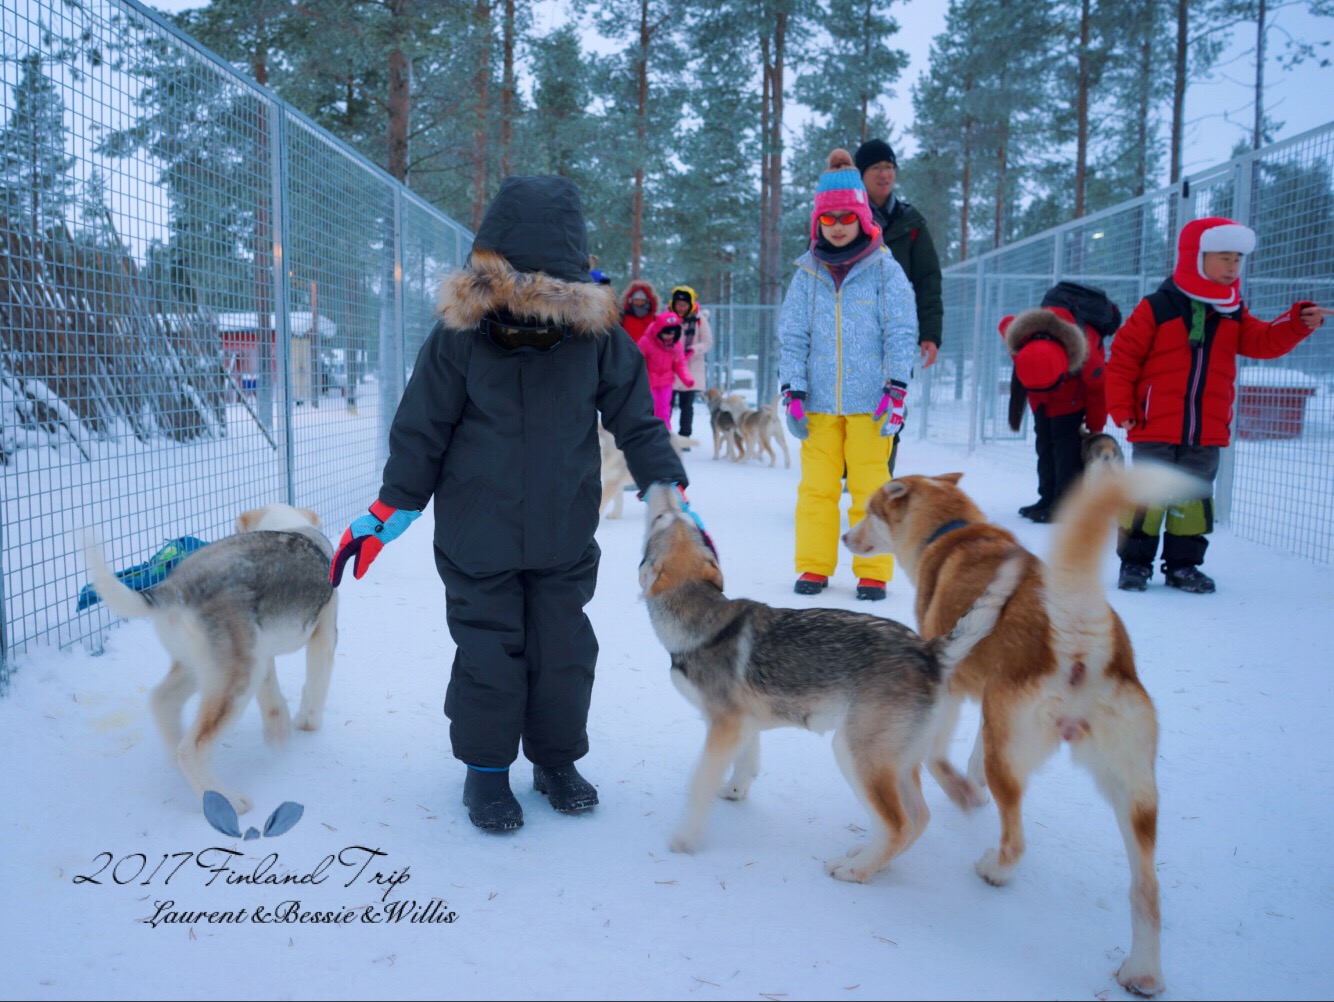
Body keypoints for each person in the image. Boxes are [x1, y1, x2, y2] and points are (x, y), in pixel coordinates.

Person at [329, 175, 693, 832]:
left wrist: (665, 489)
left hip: (562, 532)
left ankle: (556, 761)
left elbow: (638, 421)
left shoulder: (598, 341)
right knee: (489, 653)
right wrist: (391, 509)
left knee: (564, 650)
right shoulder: (458, 339)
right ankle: (487, 772)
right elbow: (422, 429)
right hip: (478, 534)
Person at [1106, 215, 1328, 593]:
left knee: (1193, 498)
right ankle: (1135, 563)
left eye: (1237, 260)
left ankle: (1183, 566)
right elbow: (1123, 360)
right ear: (1196, 257)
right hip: (1155, 423)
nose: (1231, 266)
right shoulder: (1157, 307)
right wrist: (1123, 409)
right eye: (1223, 257)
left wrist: (1297, 324)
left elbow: (1262, 342)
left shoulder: (1232, 310)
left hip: (1206, 428)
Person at [778, 148, 918, 602]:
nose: (837, 225)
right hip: (817, 404)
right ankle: (814, 566)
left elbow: (901, 333)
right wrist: (792, 389)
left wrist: (896, 389)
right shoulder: (806, 275)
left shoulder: (884, 271)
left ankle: (873, 569)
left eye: (845, 216)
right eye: (828, 218)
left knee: (870, 489)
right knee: (816, 490)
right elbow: (793, 336)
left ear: (862, 218)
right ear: (818, 223)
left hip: (870, 404)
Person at [999, 281, 1117, 523]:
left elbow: (1098, 390)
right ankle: (1047, 498)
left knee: (1065, 450)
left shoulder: (1086, 352)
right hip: (1042, 403)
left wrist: (1096, 425)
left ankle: (1064, 504)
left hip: (1071, 400)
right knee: (1044, 445)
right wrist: (1038, 400)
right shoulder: (1020, 337)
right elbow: (1005, 324)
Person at [668, 285, 712, 441]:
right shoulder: (667, 318)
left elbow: (707, 342)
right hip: (669, 369)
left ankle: (685, 436)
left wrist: (693, 350)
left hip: (691, 369)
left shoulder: (700, 319)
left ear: (690, 304)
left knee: (687, 406)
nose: (681, 307)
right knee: (666, 405)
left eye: (684, 304)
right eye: (678, 304)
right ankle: (664, 435)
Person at [638, 309, 695, 428]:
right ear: (659, 330)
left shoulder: (675, 344)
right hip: (648, 382)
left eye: (673, 333)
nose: (670, 336)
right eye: (667, 333)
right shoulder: (647, 341)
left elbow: (680, 364)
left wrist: (687, 379)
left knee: (665, 408)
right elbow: (636, 360)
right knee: (649, 408)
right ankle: (648, 433)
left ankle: (664, 432)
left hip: (666, 381)